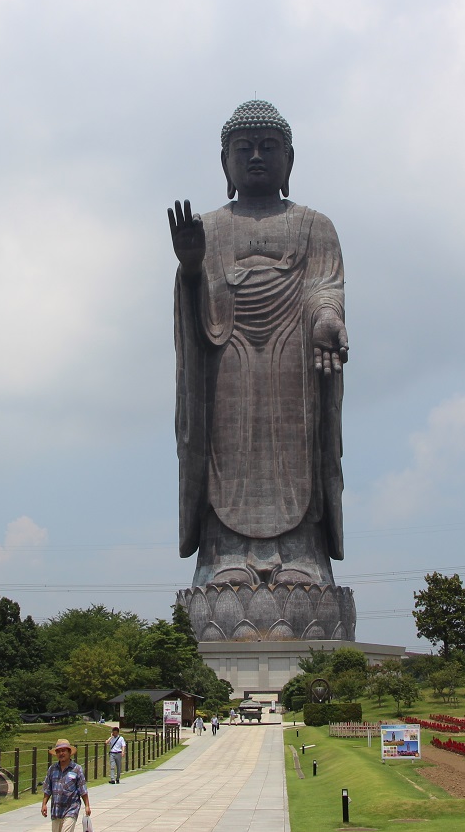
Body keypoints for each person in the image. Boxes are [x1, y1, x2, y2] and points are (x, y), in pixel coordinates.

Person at [168, 100, 348, 594]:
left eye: (269, 148)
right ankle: (224, 556)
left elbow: (324, 287)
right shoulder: (208, 227)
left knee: (300, 447)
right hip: (228, 357)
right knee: (227, 447)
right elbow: (196, 307)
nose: (255, 157)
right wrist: (189, 268)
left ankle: (303, 557)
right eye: (242, 148)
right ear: (224, 161)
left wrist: (327, 319)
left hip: (294, 358)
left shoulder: (316, 226)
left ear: (290, 160)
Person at [41, 739, 91, 832]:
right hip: (56, 811)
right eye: (58, 751)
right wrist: (44, 804)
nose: (61, 753)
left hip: (71, 809)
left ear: (69, 752)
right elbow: (47, 789)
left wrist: (87, 805)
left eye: (63, 751)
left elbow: (83, 789)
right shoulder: (52, 769)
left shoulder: (76, 769)